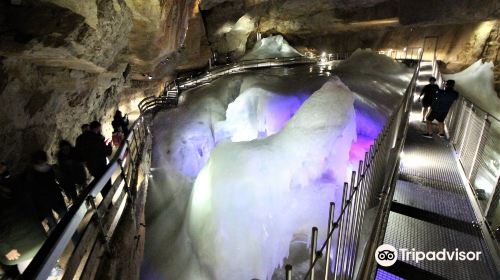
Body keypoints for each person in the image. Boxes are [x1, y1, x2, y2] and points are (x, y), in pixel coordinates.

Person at [0, 162, 46, 275]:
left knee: (40, 267)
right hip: (21, 247)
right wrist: (4, 248)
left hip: (28, 243)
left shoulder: (15, 185)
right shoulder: (15, 184)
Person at [25, 151, 68, 231]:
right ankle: (74, 237)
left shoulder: (32, 173)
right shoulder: (48, 169)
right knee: (65, 220)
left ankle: (71, 237)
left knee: (61, 221)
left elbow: (31, 190)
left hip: (47, 200)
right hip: (51, 199)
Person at [82, 121, 113, 196]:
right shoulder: (96, 138)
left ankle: (107, 202)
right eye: (100, 128)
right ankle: (109, 203)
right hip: (100, 166)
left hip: (92, 168)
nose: (101, 130)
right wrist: (109, 145)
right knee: (106, 184)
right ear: (97, 128)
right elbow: (107, 152)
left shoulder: (82, 139)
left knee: (101, 184)